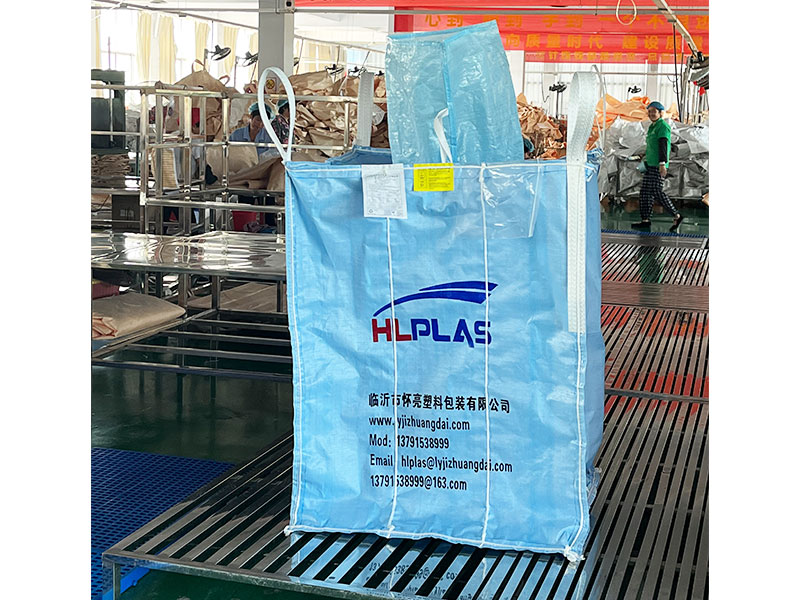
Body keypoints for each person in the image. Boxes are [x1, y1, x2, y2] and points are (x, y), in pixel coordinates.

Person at [632, 101, 684, 232]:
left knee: (657, 191)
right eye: (649, 111)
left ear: (661, 113)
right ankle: (645, 220)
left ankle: (676, 215)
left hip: (658, 165)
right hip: (649, 163)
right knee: (645, 192)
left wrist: (662, 164)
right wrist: (643, 156)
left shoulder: (663, 126)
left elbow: (663, 145)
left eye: (654, 111)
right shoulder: (652, 127)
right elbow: (652, 146)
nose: (651, 114)